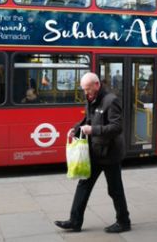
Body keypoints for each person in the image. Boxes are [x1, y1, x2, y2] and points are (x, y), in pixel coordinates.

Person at [55, 72, 131, 234]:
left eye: (88, 89)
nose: (85, 93)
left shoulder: (111, 101)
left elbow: (117, 127)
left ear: (97, 85)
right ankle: (75, 221)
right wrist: (75, 129)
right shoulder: (91, 98)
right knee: (83, 184)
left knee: (115, 189)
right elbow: (88, 119)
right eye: (83, 89)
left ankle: (124, 221)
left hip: (110, 153)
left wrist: (93, 130)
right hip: (95, 151)